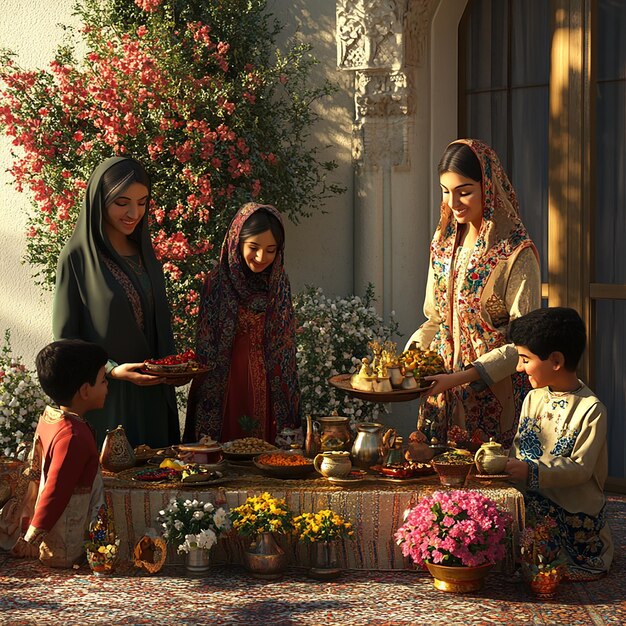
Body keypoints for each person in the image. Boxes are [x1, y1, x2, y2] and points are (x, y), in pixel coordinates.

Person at [406, 139, 541, 449]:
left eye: (464, 191)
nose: (453, 203)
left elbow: (523, 342)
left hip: (494, 396)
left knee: (483, 487)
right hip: (440, 395)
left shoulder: (515, 253)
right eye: (445, 191)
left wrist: (461, 377)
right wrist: (406, 360)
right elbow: (435, 319)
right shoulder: (442, 246)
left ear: (488, 187)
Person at [53, 157, 181, 448]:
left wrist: (173, 369)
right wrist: (111, 369)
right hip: (107, 398)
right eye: (122, 202)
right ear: (100, 200)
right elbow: (65, 340)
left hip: (153, 396)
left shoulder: (144, 254)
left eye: (142, 202)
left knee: (160, 482)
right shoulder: (77, 259)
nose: (134, 213)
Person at [505, 307, 613, 580]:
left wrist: (531, 472)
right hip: (532, 498)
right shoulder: (533, 398)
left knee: (540, 560)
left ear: (555, 361)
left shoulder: (591, 409)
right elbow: (519, 448)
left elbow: (581, 469)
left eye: (525, 359)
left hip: (573, 509)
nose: (519, 367)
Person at [184, 202, 300, 443]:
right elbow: (205, 345)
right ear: (237, 242)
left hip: (270, 384)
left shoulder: (278, 284)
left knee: (265, 455)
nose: (261, 257)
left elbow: (286, 346)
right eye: (254, 247)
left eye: (271, 250)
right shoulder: (216, 282)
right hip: (224, 383)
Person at [0, 339, 107, 567]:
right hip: (64, 543)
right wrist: (31, 539)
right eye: (103, 380)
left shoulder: (52, 419)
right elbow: (55, 490)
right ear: (85, 391)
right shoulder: (73, 436)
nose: (107, 386)